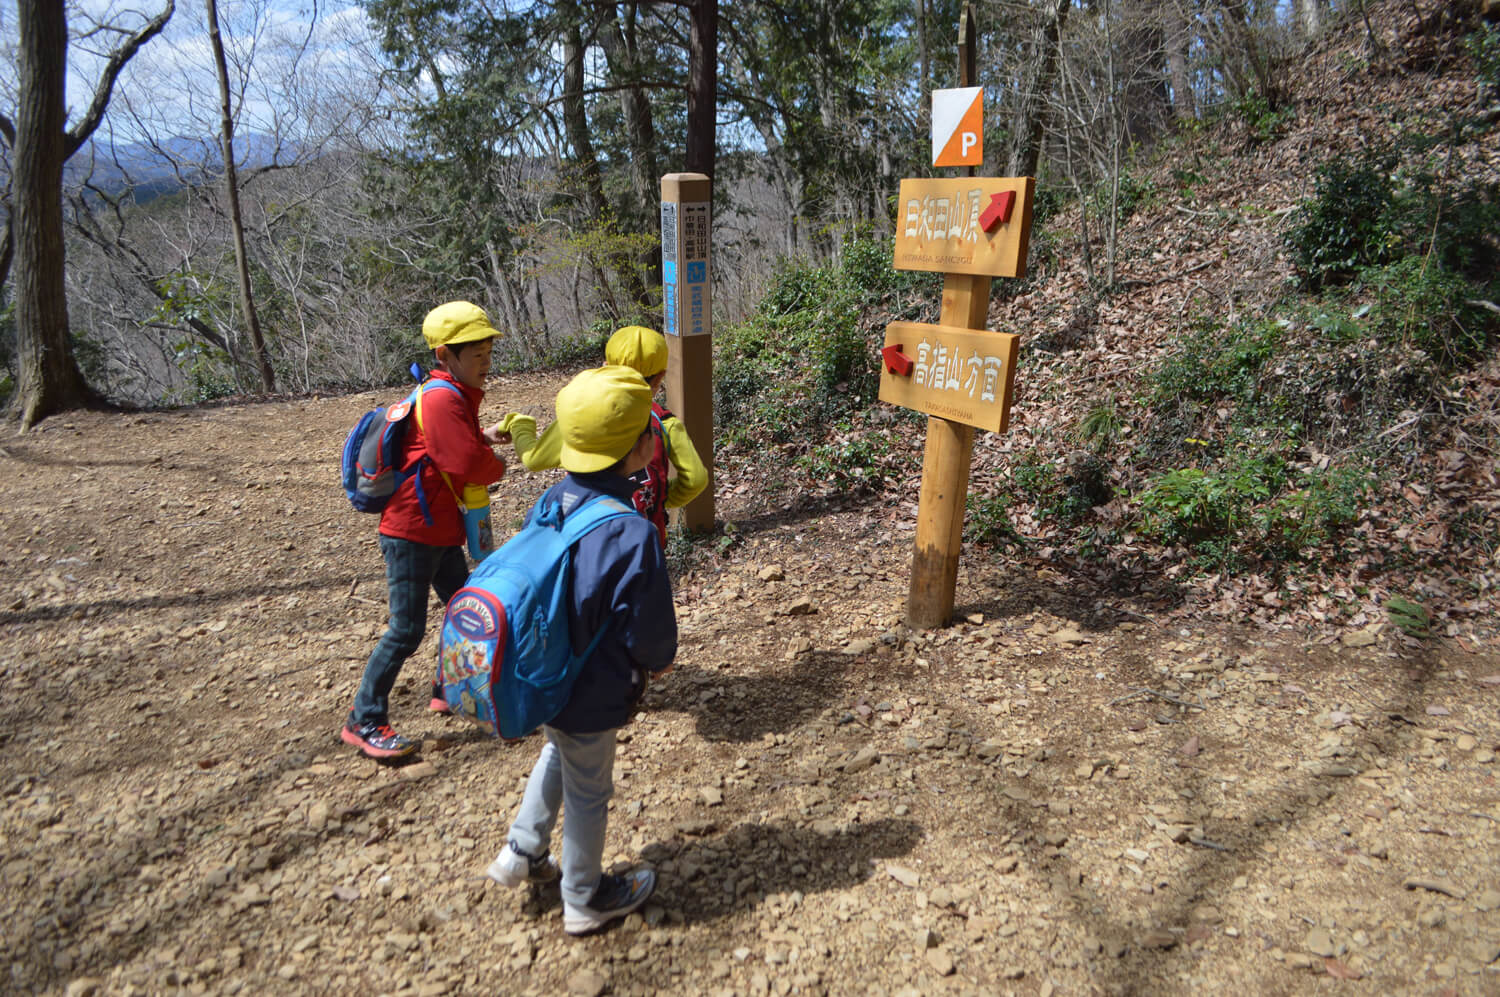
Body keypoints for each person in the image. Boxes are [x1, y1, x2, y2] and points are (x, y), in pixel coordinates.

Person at [486, 365, 678, 935]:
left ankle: (521, 849)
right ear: (640, 447)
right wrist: (659, 660)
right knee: (591, 788)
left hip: (548, 669)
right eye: (651, 428)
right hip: (592, 685)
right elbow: (650, 632)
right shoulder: (630, 532)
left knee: (558, 751)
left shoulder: (552, 499)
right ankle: (584, 897)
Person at [341, 301, 512, 760]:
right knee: (405, 630)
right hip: (412, 532)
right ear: (445, 355)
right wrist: (497, 462)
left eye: (488, 356)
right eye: (477, 357)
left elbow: (453, 447)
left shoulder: (450, 394)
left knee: (466, 606)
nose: (486, 366)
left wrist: (487, 434)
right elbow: (464, 462)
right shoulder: (440, 397)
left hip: (439, 528)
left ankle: (447, 688)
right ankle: (364, 719)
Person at [501, 326, 708, 549]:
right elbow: (696, 480)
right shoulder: (666, 423)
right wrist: (657, 499)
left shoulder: (585, 415)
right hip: (645, 543)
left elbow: (534, 459)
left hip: (589, 538)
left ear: (605, 367)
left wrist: (519, 424)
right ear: (660, 378)